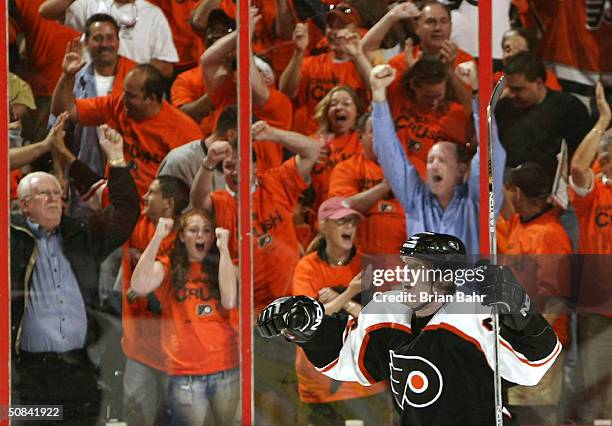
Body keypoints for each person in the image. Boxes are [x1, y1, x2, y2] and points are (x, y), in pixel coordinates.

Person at [257, 232, 562, 425]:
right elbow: (343, 358)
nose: (406, 276)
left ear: (444, 278)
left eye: (415, 268)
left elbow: (535, 364)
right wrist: (308, 329)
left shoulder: (475, 317)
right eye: (405, 265)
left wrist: (521, 310)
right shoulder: (390, 315)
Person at [10, 125, 140, 424]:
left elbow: (126, 212)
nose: (55, 199)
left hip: (80, 373)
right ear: (24, 205)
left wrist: (117, 159)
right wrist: (43, 147)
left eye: (58, 193)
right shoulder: (10, 239)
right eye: (44, 194)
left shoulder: (80, 235)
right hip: (27, 379)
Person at [369, 64, 505, 254]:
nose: (433, 166)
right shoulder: (416, 199)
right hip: (423, 284)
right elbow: (389, 154)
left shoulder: (477, 203)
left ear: (460, 169)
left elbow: (491, 154)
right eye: (430, 160)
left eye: (441, 160)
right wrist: (378, 94)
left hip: (468, 284)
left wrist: (476, 91)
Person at [130, 210, 239, 425]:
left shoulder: (223, 265)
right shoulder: (169, 266)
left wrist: (224, 249)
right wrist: (157, 237)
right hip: (185, 373)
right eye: (193, 230)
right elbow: (139, 284)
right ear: (181, 236)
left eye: (207, 231)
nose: (201, 236)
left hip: (226, 367)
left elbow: (229, 300)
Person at [51, 43, 202, 198]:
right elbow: (64, 110)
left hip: (153, 211)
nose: (123, 99)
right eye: (124, 92)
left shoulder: (184, 131)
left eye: (130, 95)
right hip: (117, 203)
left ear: (151, 98)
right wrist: (67, 76)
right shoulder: (116, 106)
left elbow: (196, 181)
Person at [291, 196, 389, 425]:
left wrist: (342, 301)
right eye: (341, 221)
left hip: (363, 386)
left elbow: (377, 320)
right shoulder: (307, 267)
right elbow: (308, 320)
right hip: (318, 386)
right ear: (322, 225)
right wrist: (349, 294)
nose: (349, 227)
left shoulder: (368, 264)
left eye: (352, 222)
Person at [499, 162, 572, 424]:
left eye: (507, 190)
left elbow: (557, 300)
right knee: (518, 413)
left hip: (538, 344)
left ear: (517, 193)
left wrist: (534, 342)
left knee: (536, 416)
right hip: (516, 341)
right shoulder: (520, 222)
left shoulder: (551, 235)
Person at [120, 175, 190, 426]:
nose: (145, 197)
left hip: (178, 356)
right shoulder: (136, 221)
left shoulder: (188, 240)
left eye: (152, 193)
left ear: (168, 203)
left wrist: (145, 288)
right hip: (138, 349)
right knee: (136, 418)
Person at [568, 81, 612, 421]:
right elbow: (578, 167)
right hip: (598, 310)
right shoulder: (594, 194)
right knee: (594, 394)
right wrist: (602, 121)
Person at [279, 5, 372, 135]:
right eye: (330, 26)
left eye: (341, 27)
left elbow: (376, 89)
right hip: (315, 141)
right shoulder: (312, 63)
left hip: (351, 146)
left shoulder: (361, 65)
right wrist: (299, 52)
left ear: (356, 32)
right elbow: (285, 91)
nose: (334, 32)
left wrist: (357, 55)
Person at [494, 51, 591, 171]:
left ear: (538, 83)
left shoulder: (569, 108)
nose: (511, 95)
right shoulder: (503, 107)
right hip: (504, 178)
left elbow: (582, 154)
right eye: (509, 88)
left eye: (518, 89)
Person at [329, 113, 406, 254]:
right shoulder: (346, 169)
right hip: (358, 260)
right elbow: (341, 210)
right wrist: (385, 186)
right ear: (360, 136)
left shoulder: (413, 169)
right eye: (375, 130)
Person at [39, 0, 178, 78]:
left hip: (134, 96)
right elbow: (46, 11)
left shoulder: (153, 14)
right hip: (91, 93)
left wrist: (125, 71)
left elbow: (166, 68)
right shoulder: (93, 4)